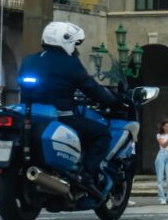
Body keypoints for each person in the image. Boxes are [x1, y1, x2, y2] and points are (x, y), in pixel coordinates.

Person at [17, 21, 121, 189]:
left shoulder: (30, 59)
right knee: (102, 134)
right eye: (74, 43)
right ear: (65, 41)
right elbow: (90, 87)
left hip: (30, 116)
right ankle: (86, 176)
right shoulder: (69, 63)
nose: (74, 48)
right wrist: (112, 100)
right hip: (61, 117)